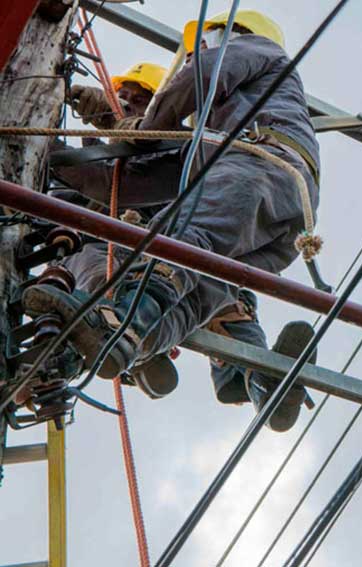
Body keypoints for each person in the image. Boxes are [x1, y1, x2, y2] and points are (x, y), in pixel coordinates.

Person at [31, 10, 319, 431]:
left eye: (196, 49)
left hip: (261, 166)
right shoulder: (207, 139)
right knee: (198, 292)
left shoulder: (259, 50)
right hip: (276, 220)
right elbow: (129, 179)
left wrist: (139, 125)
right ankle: (140, 345)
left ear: (226, 34)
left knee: (179, 239)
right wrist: (50, 155)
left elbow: (203, 74)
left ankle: (121, 326)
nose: (188, 60)